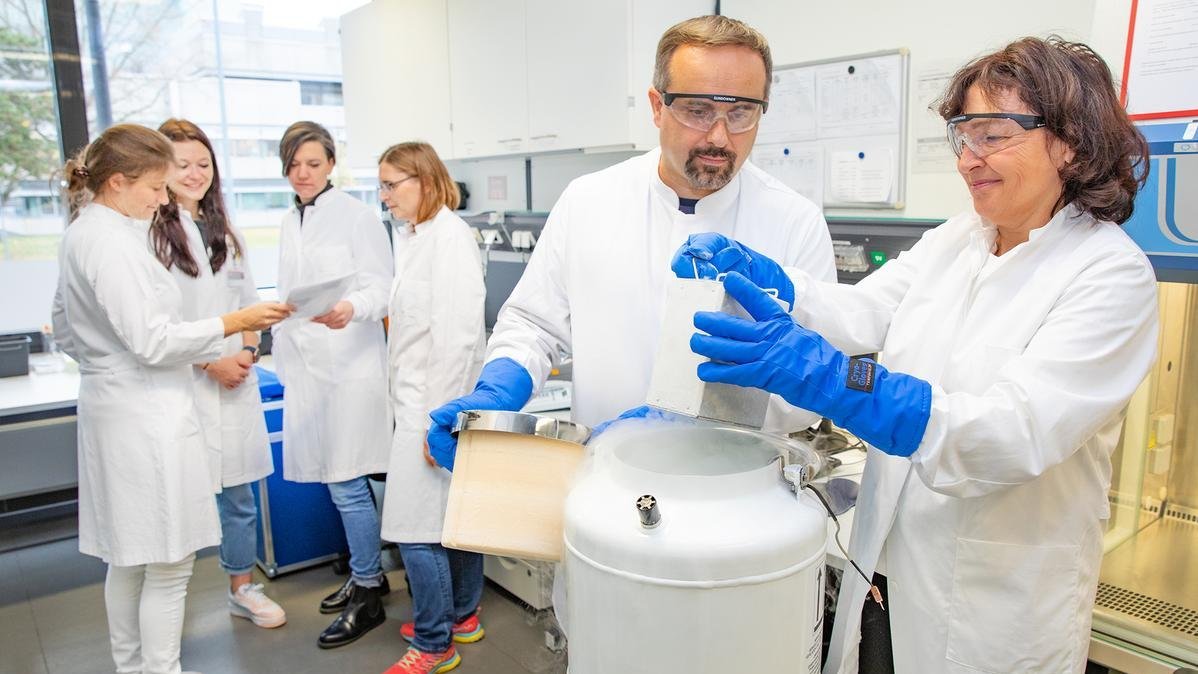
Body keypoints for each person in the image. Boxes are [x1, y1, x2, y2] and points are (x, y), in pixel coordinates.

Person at [678, 37, 1159, 673]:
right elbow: (861, 311)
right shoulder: (962, 237)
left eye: (994, 135)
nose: (968, 159)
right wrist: (773, 281)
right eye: (963, 135)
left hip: (992, 607)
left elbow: (1007, 435)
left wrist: (832, 380)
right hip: (886, 567)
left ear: (1070, 141)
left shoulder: (1110, 277)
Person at [426, 14, 836, 468]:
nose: (720, 136)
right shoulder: (589, 200)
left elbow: (810, 388)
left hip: (737, 486)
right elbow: (534, 325)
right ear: (657, 106)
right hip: (604, 475)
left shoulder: (795, 221)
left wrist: (699, 415)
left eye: (741, 112)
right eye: (698, 110)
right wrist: (499, 389)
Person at [51, 124, 292, 674]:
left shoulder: (84, 233)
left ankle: (132, 667)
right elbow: (154, 340)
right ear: (117, 181)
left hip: (117, 405)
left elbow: (64, 326)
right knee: (167, 564)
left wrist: (102, 361)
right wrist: (237, 321)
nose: (165, 198)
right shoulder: (111, 242)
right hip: (146, 415)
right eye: (157, 186)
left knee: (129, 560)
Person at [152, 118, 286, 629]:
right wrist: (211, 363)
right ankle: (168, 594)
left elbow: (250, 305)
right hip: (185, 384)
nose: (194, 173)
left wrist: (246, 356)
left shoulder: (225, 233)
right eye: (182, 164)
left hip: (237, 380)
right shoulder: (151, 236)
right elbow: (158, 326)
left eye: (203, 163)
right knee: (181, 495)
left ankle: (241, 587)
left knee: (239, 496)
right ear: (160, 170)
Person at [272, 120, 395, 648]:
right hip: (309, 366)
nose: (303, 173)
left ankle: (369, 591)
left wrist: (350, 308)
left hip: (349, 366)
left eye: (313, 164)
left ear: (331, 165)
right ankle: (367, 572)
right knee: (336, 479)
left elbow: (383, 289)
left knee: (347, 482)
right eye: (295, 164)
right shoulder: (288, 220)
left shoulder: (357, 216)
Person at [375, 142, 486, 674]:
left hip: (432, 407)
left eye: (391, 184)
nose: (384, 196)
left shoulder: (450, 239)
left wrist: (436, 421)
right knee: (452, 519)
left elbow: (460, 338)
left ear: (423, 179)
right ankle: (461, 616)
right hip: (418, 403)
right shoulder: (416, 238)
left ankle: (434, 642)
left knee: (415, 529)